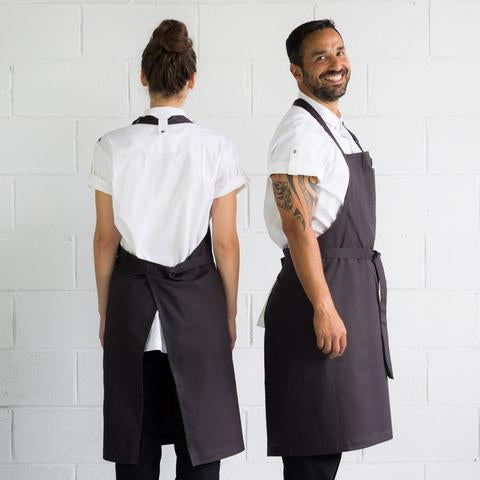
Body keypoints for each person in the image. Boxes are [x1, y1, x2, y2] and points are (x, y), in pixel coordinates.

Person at [87, 19, 247, 480]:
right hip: (199, 310)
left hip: (131, 309)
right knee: (200, 452)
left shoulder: (111, 146)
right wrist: (228, 314)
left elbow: (105, 239)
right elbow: (225, 243)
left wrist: (106, 312)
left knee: (135, 452)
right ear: (192, 80)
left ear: (143, 75)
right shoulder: (217, 148)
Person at [257, 20, 394, 480]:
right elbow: (298, 230)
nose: (336, 63)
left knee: (328, 445)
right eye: (320, 56)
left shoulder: (335, 128)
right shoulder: (300, 133)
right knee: (312, 453)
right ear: (296, 71)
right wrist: (324, 306)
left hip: (342, 291)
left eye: (339, 51)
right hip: (317, 296)